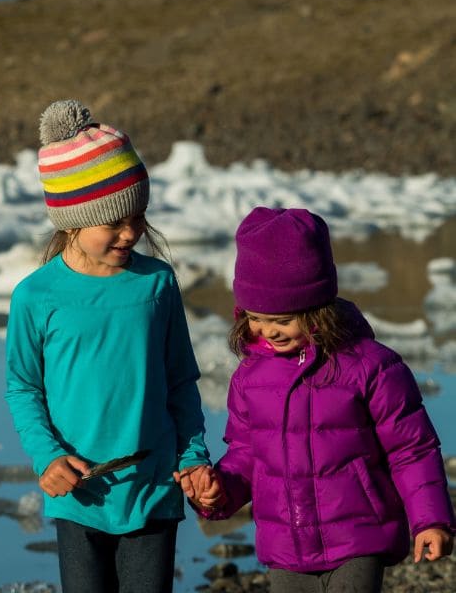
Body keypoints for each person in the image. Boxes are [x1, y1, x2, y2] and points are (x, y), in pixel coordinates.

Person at [187, 206, 455, 592]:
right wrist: (219, 491)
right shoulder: (249, 379)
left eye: (283, 320)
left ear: (318, 308)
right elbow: (247, 454)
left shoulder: (370, 367)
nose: (269, 331)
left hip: (357, 538)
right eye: (256, 318)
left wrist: (430, 519)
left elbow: (410, 450)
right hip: (284, 545)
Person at [5, 99, 212, 593]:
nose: (130, 232)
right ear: (73, 220)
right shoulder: (36, 296)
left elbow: (181, 382)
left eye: (138, 216)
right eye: (114, 222)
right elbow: (23, 388)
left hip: (153, 488)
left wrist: (193, 457)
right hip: (79, 494)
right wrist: (47, 458)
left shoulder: (156, 284)